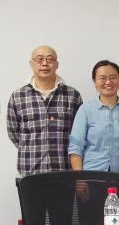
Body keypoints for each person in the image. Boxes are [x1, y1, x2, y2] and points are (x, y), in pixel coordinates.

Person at [6, 45, 82, 176]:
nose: (45, 64)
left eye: (50, 59)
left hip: (65, 170)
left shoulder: (72, 95)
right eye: (39, 59)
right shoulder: (18, 96)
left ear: (57, 64)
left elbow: (79, 134)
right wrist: (31, 148)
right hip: (30, 171)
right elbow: (13, 133)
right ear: (31, 63)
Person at [68, 60, 119, 190]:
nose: (108, 82)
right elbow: (76, 147)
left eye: (113, 77)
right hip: (91, 178)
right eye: (102, 78)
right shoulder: (85, 110)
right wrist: (80, 179)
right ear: (95, 81)